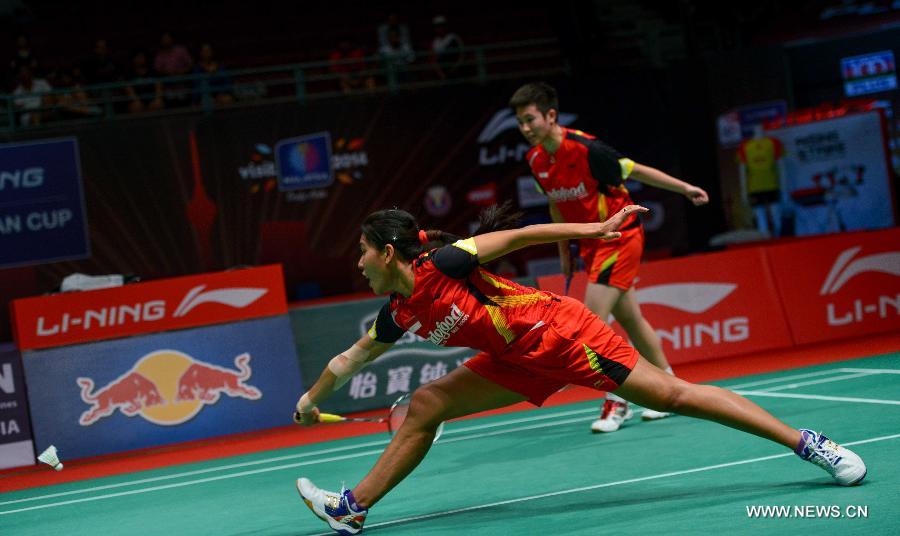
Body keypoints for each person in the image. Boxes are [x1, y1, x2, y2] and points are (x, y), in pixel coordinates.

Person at [294, 204, 866, 535]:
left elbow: (517, 235)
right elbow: (350, 359)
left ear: (387, 253)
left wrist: (592, 232)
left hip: (562, 334)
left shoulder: (443, 263)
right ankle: (352, 510)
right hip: (517, 358)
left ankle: (811, 445)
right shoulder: (397, 312)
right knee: (427, 404)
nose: (359, 262)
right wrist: (311, 396)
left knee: (674, 395)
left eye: (362, 251)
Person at [509, 81, 709, 433]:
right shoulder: (536, 160)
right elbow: (557, 204)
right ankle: (670, 383)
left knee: (590, 322)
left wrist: (684, 188)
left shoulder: (588, 150)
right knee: (631, 320)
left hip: (621, 236)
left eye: (530, 120)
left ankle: (618, 400)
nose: (525, 129)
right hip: (590, 242)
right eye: (521, 123)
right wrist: (565, 250)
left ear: (551, 115)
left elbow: (637, 170)